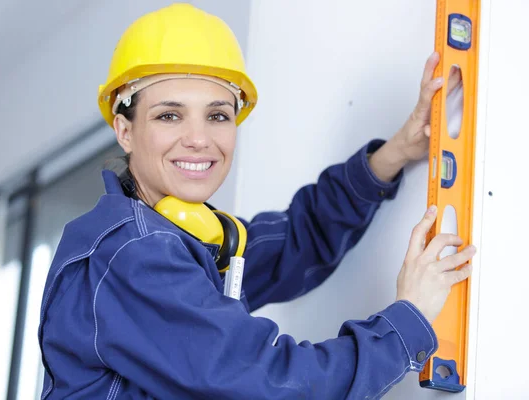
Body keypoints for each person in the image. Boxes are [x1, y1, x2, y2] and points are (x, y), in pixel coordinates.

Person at [37, 3, 474, 399]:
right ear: (125, 130)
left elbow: (296, 242)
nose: (198, 138)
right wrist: (407, 319)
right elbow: (271, 385)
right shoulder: (133, 256)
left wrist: (394, 153)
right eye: (169, 115)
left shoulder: (183, 242)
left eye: (217, 115)